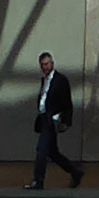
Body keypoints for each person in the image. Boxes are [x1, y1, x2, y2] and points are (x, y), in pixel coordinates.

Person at [30, 52, 80, 190]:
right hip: (43, 118)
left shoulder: (60, 80)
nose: (45, 67)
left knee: (41, 150)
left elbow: (67, 103)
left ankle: (38, 180)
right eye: (42, 65)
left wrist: (66, 122)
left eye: (47, 64)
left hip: (52, 120)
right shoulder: (44, 80)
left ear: (52, 63)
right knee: (53, 153)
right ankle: (76, 172)